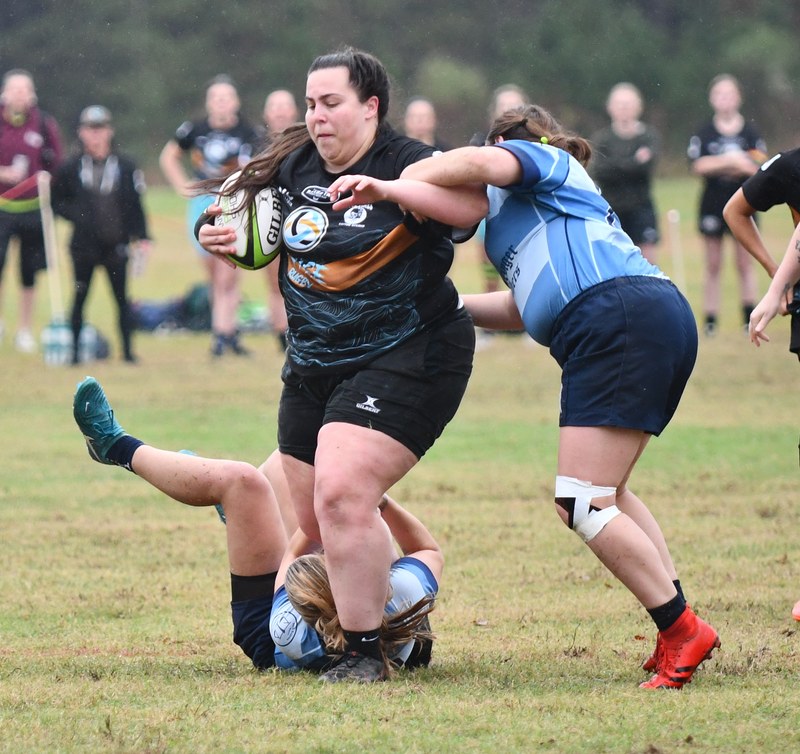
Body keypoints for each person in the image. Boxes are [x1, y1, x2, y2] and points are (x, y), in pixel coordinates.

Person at [328, 102, 721, 690]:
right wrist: (441, 306)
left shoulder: (543, 161)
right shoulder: (522, 213)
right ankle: (678, 624)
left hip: (614, 316)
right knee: (606, 493)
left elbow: (480, 163)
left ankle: (682, 629)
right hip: (634, 316)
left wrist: (396, 180)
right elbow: (525, 304)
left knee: (581, 502)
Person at [198, 47, 482, 682]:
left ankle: (363, 653)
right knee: (319, 519)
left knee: (342, 494)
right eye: (310, 104)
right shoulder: (293, 163)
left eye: (331, 103)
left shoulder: (407, 160)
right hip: (312, 364)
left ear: (370, 107)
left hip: (410, 351)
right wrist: (216, 235)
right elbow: (236, 213)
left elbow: (471, 208)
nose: (316, 116)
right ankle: (397, 612)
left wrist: (393, 191)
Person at [71, 375, 442, 677]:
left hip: (266, 626)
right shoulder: (403, 593)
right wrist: (373, 502)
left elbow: (297, 549)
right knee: (298, 460)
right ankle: (229, 508)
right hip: (339, 604)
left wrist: (337, 511)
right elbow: (427, 550)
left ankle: (113, 446)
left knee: (242, 482)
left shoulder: (290, 625)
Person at [160, 74, 260, 357]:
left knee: (229, 271)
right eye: (216, 98)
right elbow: (168, 157)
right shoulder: (194, 129)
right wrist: (182, 186)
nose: (221, 103)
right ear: (208, 103)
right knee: (215, 272)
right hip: (202, 204)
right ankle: (226, 332)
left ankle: (223, 334)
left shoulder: (248, 132)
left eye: (226, 98)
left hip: (233, 202)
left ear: (236, 102)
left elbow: (258, 165)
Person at [51, 106, 151, 364]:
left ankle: (127, 352)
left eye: (100, 129)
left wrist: (142, 236)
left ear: (109, 131)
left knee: (122, 299)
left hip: (116, 244)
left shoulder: (125, 166)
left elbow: (136, 204)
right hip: (83, 246)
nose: (96, 135)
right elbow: (56, 201)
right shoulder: (70, 168)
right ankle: (74, 354)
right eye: (90, 130)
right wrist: (77, 215)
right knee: (80, 297)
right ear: (81, 132)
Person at [687, 74, 767, 336]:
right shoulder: (704, 132)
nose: (725, 99)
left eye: (730, 94)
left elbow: (759, 166)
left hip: (745, 203)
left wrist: (724, 164)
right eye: (719, 95)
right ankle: (710, 321)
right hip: (713, 203)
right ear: (712, 99)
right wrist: (732, 162)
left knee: (745, 262)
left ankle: (749, 317)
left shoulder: (750, 133)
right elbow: (698, 165)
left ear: (738, 98)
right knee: (712, 263)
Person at [0, 68, 63, 352]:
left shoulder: (43, 124)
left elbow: (56, 162)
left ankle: (25, 329)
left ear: (32, 95)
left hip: (34, 209)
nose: (20, 95)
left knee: (29, 271)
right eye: (15, 89)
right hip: (2, 208)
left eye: (25, 90)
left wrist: (48, 177)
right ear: (5, 93)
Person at [470, 84, 529, 348]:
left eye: (514, 105)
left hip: (523, 213)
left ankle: (529, 323)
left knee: (526, 268)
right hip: (489, 210)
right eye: (503, 105)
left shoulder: (533, 141)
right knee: (489, 268)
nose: (508, 110)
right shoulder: (481, 140)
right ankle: (489, 329)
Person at [590, 82, 660, 264]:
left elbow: (645, 168)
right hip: (611, 209)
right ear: (610, 107)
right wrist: (633, 162)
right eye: (619, 104)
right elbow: (600, 171)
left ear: (639, 107)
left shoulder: (648, 136)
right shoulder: (602, 139)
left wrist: (616, 165)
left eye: (628, 104)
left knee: (647, 262)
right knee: (613, 262)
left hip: (642, 208)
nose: (624, 109)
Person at [260, 89, 299, 351]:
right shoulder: (255, 147)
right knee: (276, 283)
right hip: (270, 223)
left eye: (285, 105)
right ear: (266, 114)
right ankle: (280, 335)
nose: (281, 111)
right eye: (275, 106)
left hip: (301, 223)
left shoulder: (310, 143)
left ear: (295, 111)